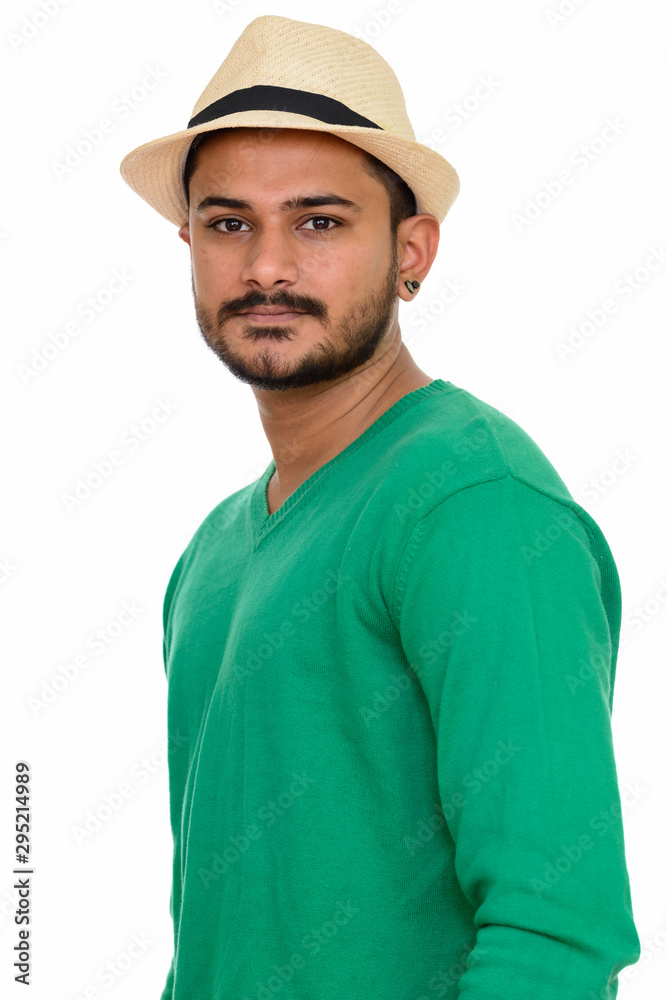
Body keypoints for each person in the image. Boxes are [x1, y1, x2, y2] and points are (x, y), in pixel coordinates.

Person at [120, 15, 640, 1000]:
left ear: (413, 250)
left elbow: (555, 936)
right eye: (230, 222)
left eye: (319, 220)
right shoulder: (211, 554)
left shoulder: (473, 502)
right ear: (189, 242)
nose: (266, 265)